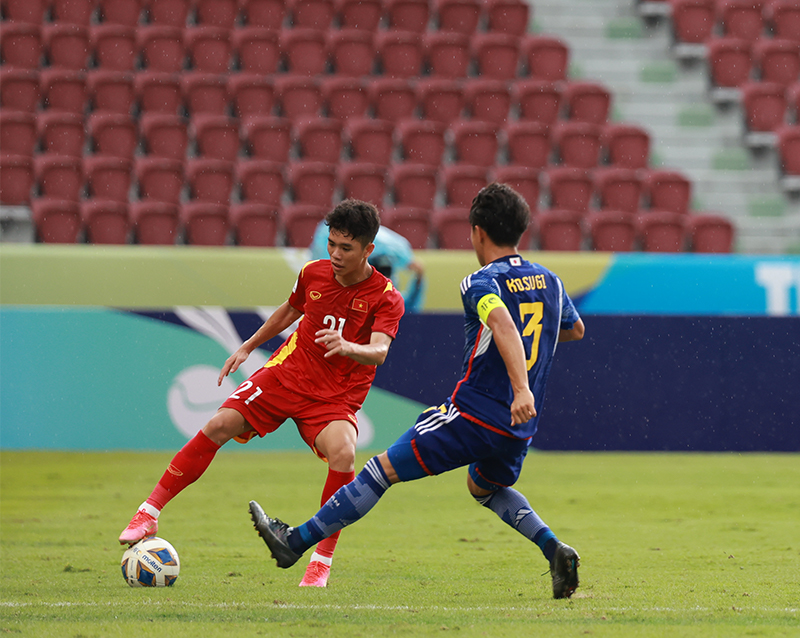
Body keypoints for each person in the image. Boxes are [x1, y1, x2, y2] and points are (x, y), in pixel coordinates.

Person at [248, 183, 586, 599]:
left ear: (477, 232)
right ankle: (554, 549)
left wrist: (519, 387)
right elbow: (573, 329)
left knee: (378, 471)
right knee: (484, 485)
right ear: (520, 230)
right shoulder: (550, 281)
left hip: (476, 412)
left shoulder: (480, 282)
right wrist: (527, 373)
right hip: (518, 426)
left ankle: (294, 542)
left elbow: (501, 324)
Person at [119, 199, 405, 588]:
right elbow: (289, 311)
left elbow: (380, 351)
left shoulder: (386, 296)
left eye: (346, 248)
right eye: (332, 245)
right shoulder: (313, 274)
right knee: (220, 424)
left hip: (336, 396)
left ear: (368, 250)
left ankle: (320, 561)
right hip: (288, 374)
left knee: (344, 452)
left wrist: (348, 347)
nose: (336, 255)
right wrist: (247, 347)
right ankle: (148, 511)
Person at [311, 223, 426, 313]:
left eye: (387, 273)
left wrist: (419, 279)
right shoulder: (353, 301)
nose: (384, 278)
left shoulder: (390, 302)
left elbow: (410, 308)